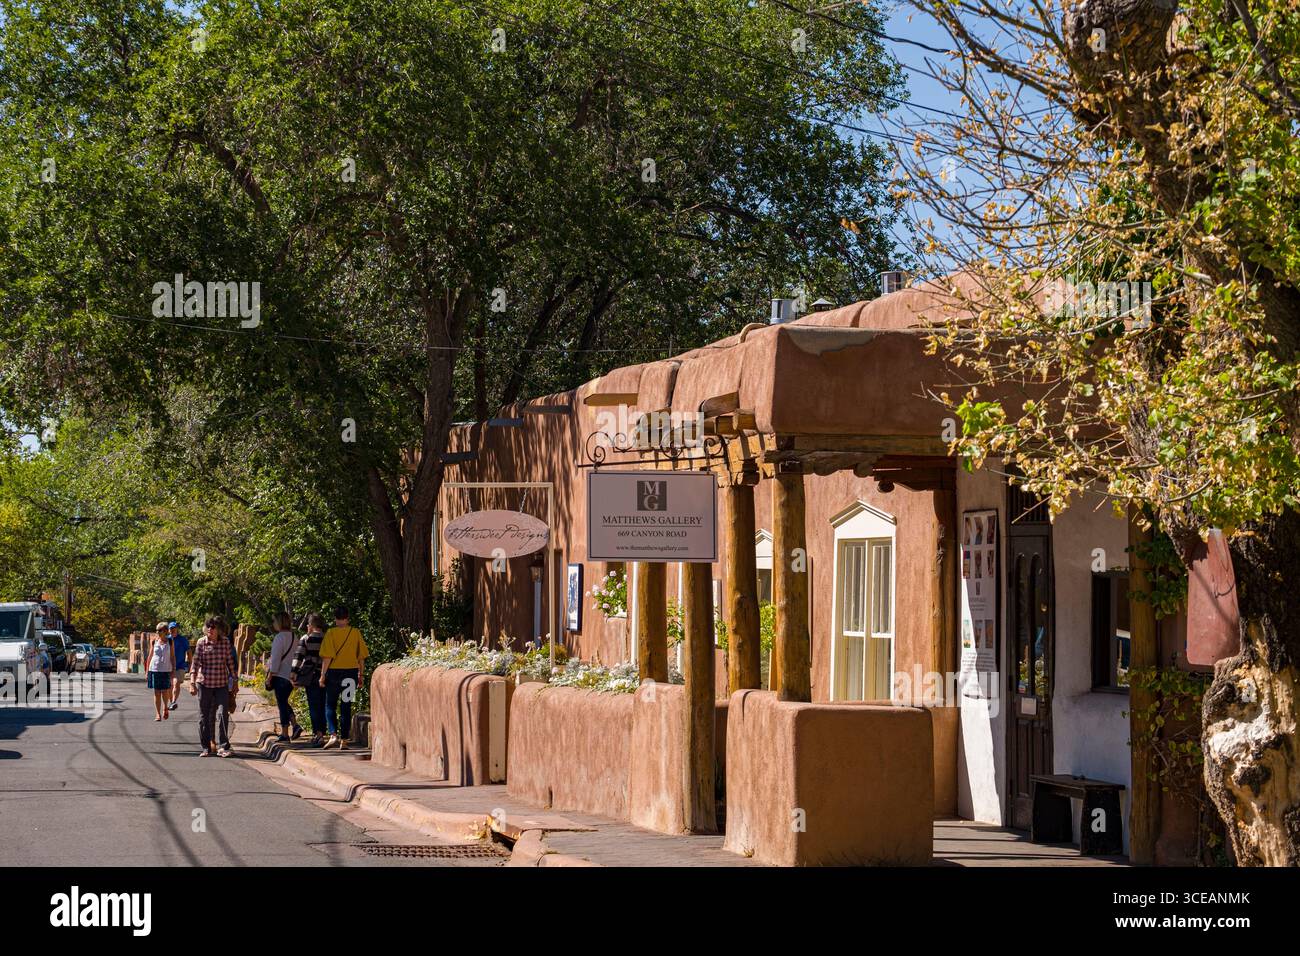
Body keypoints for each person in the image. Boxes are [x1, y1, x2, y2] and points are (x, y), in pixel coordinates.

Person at [317, 605, 367, 750]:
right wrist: (361, 675)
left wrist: (322, 675)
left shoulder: (331, 633)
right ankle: (344, 740)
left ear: (335, 619)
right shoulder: (355, 633)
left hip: (333, 673)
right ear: (347, 618)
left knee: (330, 705)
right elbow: (361, 657)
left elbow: (327, 657)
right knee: (346, 706)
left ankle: (333, 735)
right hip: (351, 673)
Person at [189, 615, 236, 757]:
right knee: (204, 716)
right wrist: (192, 682)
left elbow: (230, 663)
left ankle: (223, 746)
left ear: (219, 630)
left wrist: (235, 682)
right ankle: (206, 747)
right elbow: (195, 664)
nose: (210, 629)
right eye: (208, 626)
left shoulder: (225, 642)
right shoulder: (201, 643)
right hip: (204, 684)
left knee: (223, 713)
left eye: (213, 627)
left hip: (221, 684)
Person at [291, 613, 328, 747]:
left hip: (311, 676)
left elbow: (299, 656)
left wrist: (293, 672)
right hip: (325, 674)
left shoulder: (306, 638)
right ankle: (323, 733)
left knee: (313, 705)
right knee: (323, 704)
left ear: (311, 625)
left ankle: (317, 734)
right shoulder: (327, 638)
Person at [267, 611, 302, 742]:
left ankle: (285, 733)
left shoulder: (279, 637)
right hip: (291, 675)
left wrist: (270, 676)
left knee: (281, 704)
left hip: (280, 675)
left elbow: (275, 659)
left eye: (274, 621)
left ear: (279, 622)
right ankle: (295, 725)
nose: (273, 624)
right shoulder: (294, 637)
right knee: (284, 701)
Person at [146, 622, 175, 721]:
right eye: (157, 630)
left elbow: (172, 656)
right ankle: (158, 714)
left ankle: (165, 708)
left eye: (160, 630)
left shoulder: (170, 642)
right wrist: (147, 671)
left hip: (166, 670)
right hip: (154, 669)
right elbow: (150, 656)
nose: (157, 632)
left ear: (166, 631)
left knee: (165, 691)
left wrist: (173, 670)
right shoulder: (154, 641)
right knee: (157, 692)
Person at [168, 622, 189, 711]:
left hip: (180, 665)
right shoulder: (166, 639)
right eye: (171, 628)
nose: (172, 629)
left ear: (177, 629)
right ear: (169, 630)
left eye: (174, 628)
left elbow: (189, 651)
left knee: (176, 683)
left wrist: (190, 663)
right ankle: (170, 701)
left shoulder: (182, 639)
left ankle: (173, 701)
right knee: (169, 686)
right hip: (168, 666)